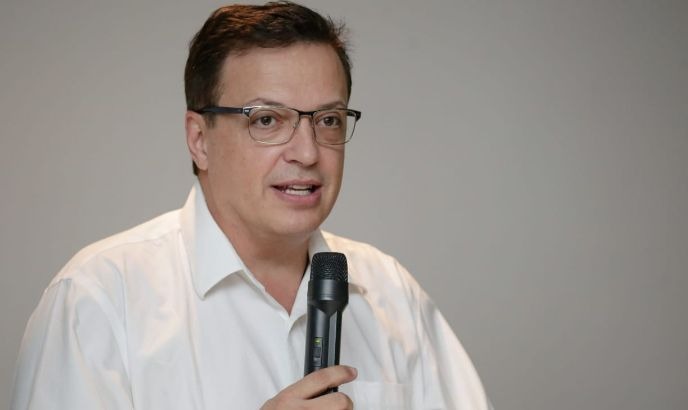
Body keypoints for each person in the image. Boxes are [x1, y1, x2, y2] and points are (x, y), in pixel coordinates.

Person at [11, 2, 493, 409]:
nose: (307, 152)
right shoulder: (98, 299)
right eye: (266, 120)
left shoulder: (393, 294)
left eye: (327, 119)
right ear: (199, 139)